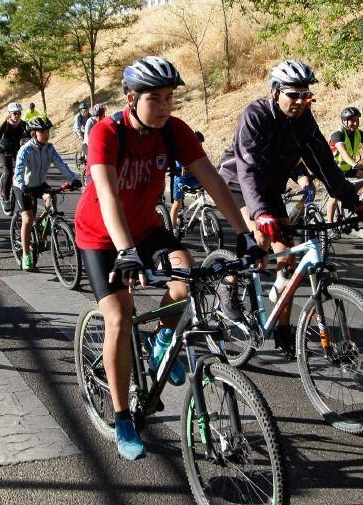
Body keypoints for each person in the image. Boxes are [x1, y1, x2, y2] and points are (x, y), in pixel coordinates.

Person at [74, 56, 264, 461]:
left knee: (185, 276)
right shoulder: (107, 132)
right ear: (130, 98)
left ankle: (163, 341)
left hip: (145, 228)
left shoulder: (174, 132)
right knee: (120, 318)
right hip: (101, 236)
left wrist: (244, 235)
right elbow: (107, 195)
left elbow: (212, 179)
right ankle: (124, 416)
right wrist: (124, 252)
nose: (165, 106)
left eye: (170, 97)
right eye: (155, 98)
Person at [217, 60, 363, 357]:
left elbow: (327, 168)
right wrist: (259, 213)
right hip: (238, 184)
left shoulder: (304, 121)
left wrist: (358, 206)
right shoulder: (256, 115)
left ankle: (282, 327)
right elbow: (248, 169)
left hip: (270, 189)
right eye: (294, 94)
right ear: (276, 92)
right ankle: (229, 283)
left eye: (306, 95)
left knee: (289, 262)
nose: (301, 102)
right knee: (260, 239)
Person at [13, 118, 82, 271]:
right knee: (28, 218)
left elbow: (61, 165)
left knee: (52, 196)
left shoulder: (49, 148)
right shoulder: (26, 150)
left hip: (39, 184)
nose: (46, 134)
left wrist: (73, 179)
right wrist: (22, 185)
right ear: (33, 133)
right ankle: (26, 255)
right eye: (42, 132)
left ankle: (45, 223)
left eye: (47, 131)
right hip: (22, 186)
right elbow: (18, 171)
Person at [0, 102, 29, 214]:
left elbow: (30, 135)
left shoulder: (23, 124)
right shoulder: (6, 124)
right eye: (14, 113)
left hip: (17, 150)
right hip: (5, 150)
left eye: (19, 113)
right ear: (10, 114)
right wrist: (0, 150)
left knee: (25, 170)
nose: (17, 115)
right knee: (9, 172)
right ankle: (5, 196)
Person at [169, 130, 205, 229]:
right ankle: (172, 229)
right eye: (198, 143)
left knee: (201, 187)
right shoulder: (182, 149)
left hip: (192, 177)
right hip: (180, 178)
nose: (200, 145)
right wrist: (183, 168)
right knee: (177, 203)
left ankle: (198, 213)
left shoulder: (199, 151)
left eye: (201, 143)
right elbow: (177, 167)